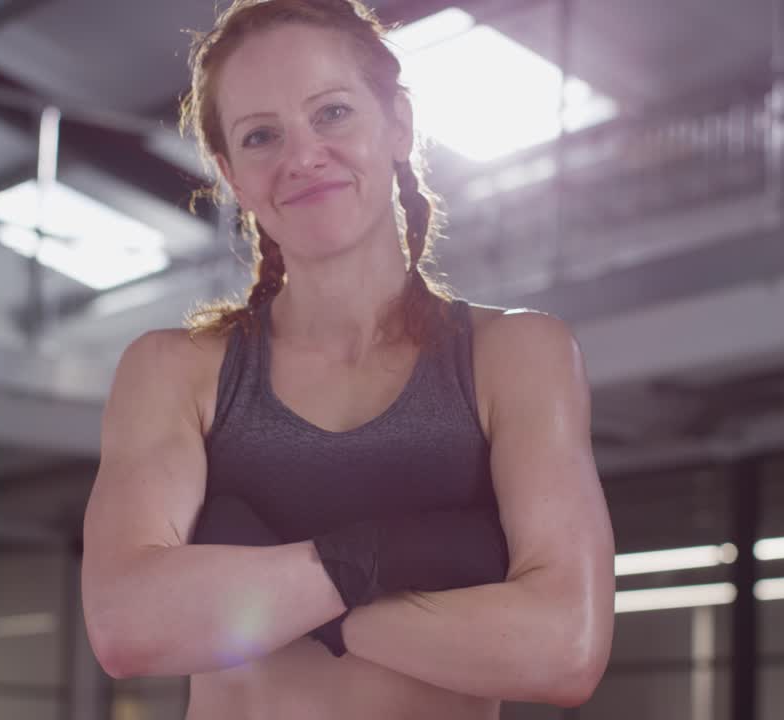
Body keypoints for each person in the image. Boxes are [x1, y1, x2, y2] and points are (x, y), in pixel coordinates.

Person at [80, 1, 615, 717]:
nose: (302, 156)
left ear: (398, 124)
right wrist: (391, 557)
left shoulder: (515, 356)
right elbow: (128, 630)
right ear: (232, 175)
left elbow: (564, 652)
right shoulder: (175, 372)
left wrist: (286, 601)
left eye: (332, 113)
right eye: (262, 135)